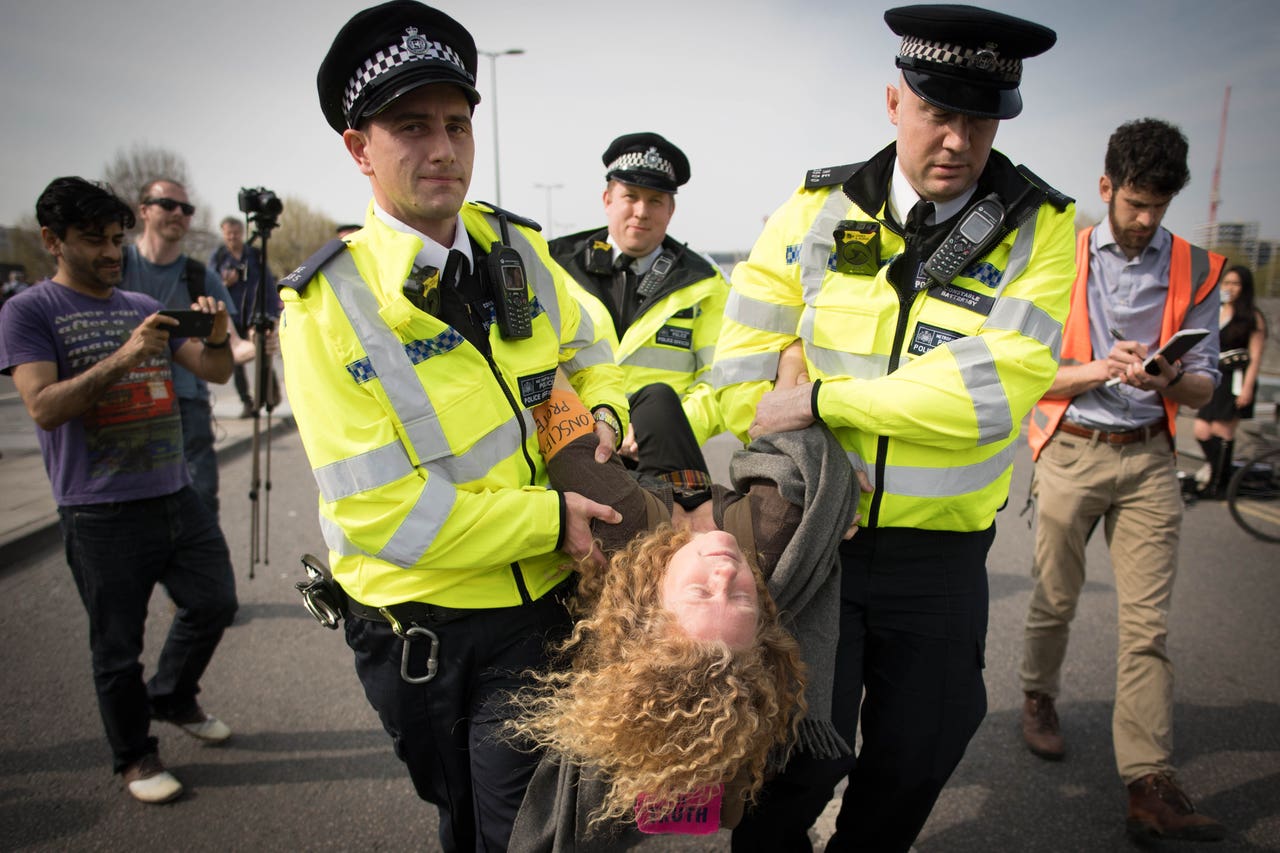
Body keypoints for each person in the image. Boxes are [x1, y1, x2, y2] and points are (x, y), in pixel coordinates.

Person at [712, 5, 1075, 850]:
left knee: (921, 753)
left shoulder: (1040, 228)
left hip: (939, 554)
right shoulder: (812, 208)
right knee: (796, 756)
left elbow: (990, 395)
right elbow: (741, 376)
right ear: (893, 102)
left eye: (978, 119)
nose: (957, 139)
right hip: (814, 540)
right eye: (938, 111)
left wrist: (825, 399)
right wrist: (811, 449)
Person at [279, 3, 629, 849]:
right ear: (359, 148)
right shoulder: (327, 306)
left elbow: (595, 348)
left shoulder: (518, 250)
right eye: (410, 127)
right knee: (470, 822)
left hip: (546, 609)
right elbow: (380, 511)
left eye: (457, 124)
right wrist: (550, 517)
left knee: (536, 828)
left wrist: (608, 412)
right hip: (425, 635)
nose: (442, 148)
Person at [507, 351, 857, 851]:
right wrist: (792, 359)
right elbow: (790, 413)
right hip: (701, 492)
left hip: (648, 508)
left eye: (700, 590)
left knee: (647, 402)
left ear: (650, 608)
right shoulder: (775, 534)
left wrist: (603, 421)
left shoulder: (619, 523)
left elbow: (545, 384)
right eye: (740, 595)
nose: (725, 570)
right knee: (658, 400)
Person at [1019, 118, 1226, 842]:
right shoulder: (1059, 258)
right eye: (1134, 202)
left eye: (1158, 207)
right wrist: (1099, 368)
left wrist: (1172, 379)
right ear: (1105, 187)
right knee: (1054, 599)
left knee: (1148, 626)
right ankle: (1038, 695)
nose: (1144, 220)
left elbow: (1206, 387)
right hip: (1071, 448)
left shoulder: (1199, 269)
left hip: (1148, 458)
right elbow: (1025, 370)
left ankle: (1148, 782)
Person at [0, 177, 238, 804]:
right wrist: (127, 357)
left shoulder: (138, 304)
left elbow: (214, 370)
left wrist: (214, 335)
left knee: (215, 601)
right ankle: (134, 757)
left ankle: (173, 696)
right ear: (53, 240)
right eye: (93, 241)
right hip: (99, 510)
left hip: (174, 492)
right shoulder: (30, 311)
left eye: (115, 239)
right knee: (116, 647)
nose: (111, 252)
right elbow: (44, 408)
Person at [549, 132, 729, 483]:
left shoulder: (704, 283)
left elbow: (717, 383)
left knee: (687, 533)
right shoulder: (553, 264)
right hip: (573, 441)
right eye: (630, 196)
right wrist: (600, 423)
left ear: (671, 209)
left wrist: (647, 431)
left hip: (663, 449)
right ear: (607, 199)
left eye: (656, 200)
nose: (642, 212)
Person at [121, 178, 239, 518]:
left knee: (199, 507)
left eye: (186, 209)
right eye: (168, 205)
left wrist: (256, 346)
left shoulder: (201, 276)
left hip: (187, 406)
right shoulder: (117, 266)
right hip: (125, 405)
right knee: (130, 516)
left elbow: (231, 343)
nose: (179, 214)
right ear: (143, 210)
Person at [1192, 264, 1268, 498]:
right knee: (1202, 430)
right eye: (1226, 283)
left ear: (1244, 288)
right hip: (1215, 376)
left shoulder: (1252, 317)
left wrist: (1246, 388)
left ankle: (1219, 484)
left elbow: (1255, 357)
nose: (1230, 288)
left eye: (1235, 284)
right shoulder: (1217, 312)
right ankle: (1218, 473)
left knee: (1222, 430)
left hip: (1235, 379)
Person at [208, 216, 278, 418]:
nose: (232, 237)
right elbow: (209, 283)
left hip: (255, 314)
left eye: (236, 233)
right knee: (236, 360)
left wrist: (272, 313)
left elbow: (268, 285)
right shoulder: (219, 257)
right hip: (231, 316)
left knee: (263, 353)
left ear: (242, 233)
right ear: (223, 233)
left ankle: (266, 396)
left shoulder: (254, 255)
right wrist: (224, 283)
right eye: (228, 233)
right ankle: (247, 402)